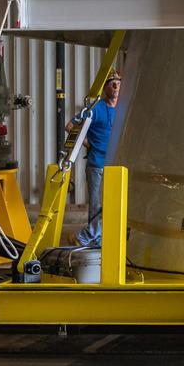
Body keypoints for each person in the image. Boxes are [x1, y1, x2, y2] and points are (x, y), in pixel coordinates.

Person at [65, 69, 122, 247]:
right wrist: (88, 144)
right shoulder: (95, 108)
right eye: (112, 83)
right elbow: (70, 126)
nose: (115, 86)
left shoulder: (122, 108)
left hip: (115, 166)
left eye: (118, 83)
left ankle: (86, 236)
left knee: (111, 206)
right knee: (97, 207)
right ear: (105, 88)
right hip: (96, 164)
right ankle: (92, 239)